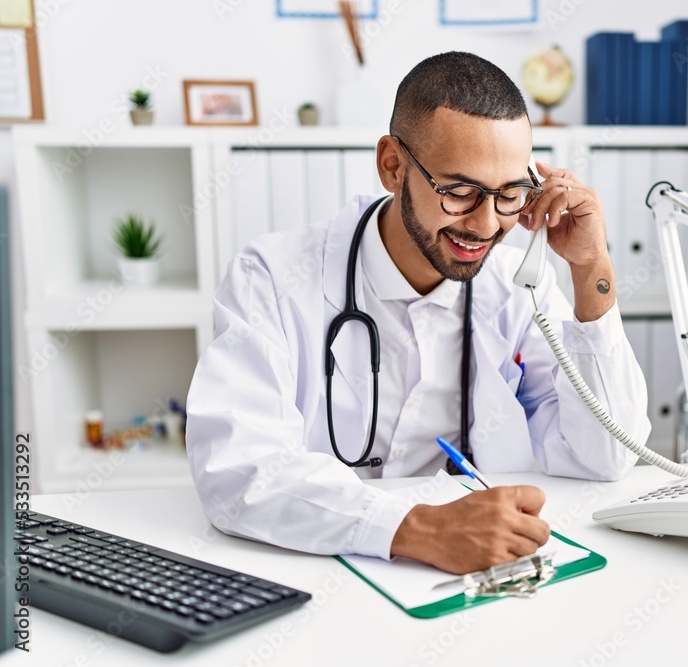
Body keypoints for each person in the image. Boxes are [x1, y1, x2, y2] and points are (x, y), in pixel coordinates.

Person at [186, 51, 651, 575]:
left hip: (469, 580)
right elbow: (237, 471)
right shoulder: (271, 277)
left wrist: (592, 270)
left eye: (508, 195)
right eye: (458, 191)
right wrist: (421, 530)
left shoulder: (520, 284)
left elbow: (604, 458)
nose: (485, 225)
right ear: (392, 166)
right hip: (313, 567)